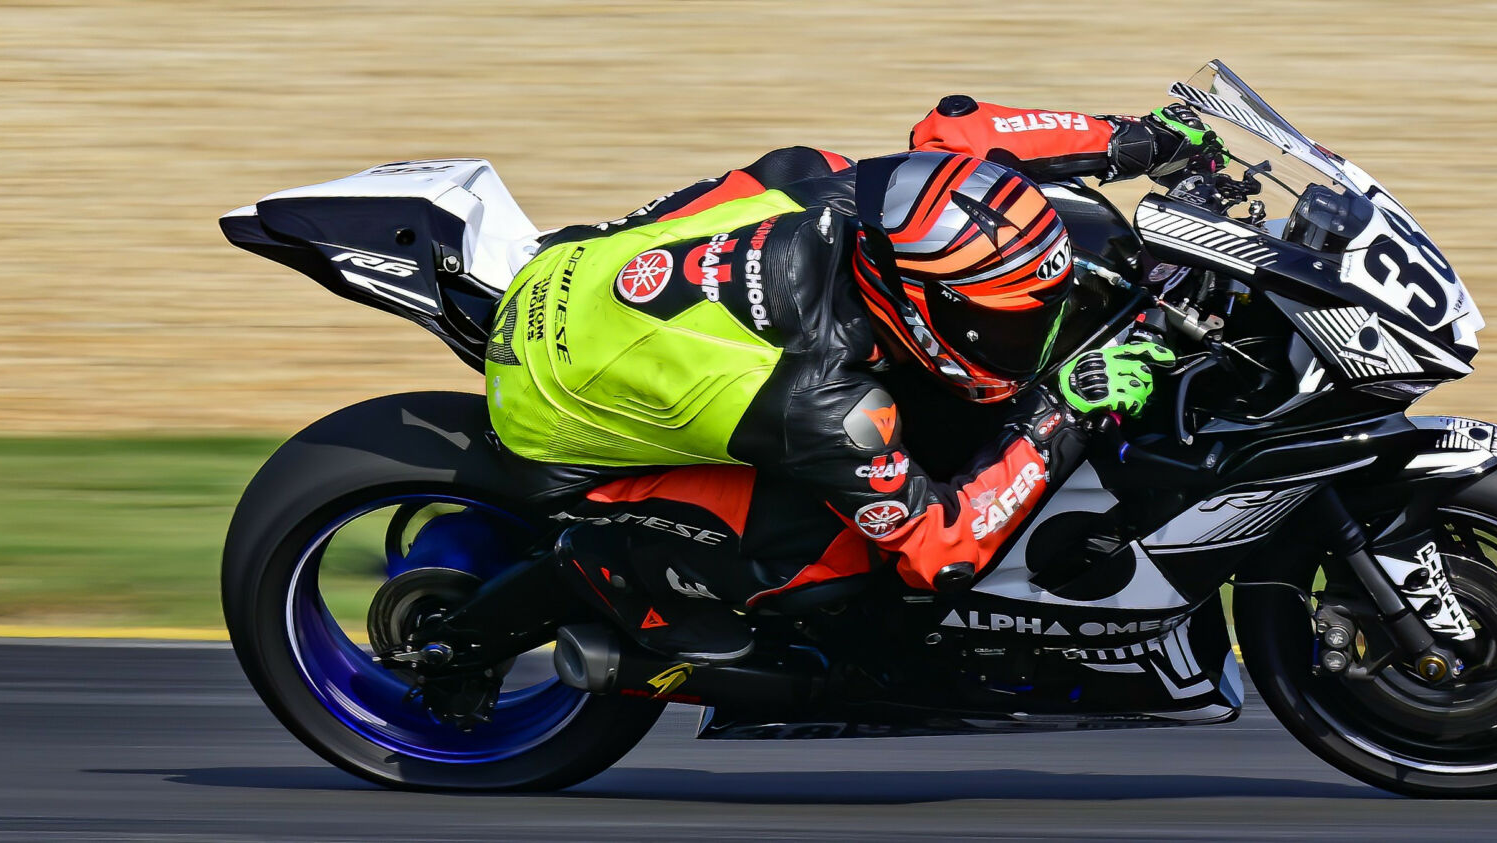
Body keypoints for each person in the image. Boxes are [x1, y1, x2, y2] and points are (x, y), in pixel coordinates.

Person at [483, 97, 1222, 662]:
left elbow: (958, 130)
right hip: (550, 407)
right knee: (840, 562)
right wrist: (1062, 409)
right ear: (918, 304)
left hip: (589, 274)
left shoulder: (875, 202)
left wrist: (1128, 138)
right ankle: (611, 569)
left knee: (807, 160)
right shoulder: (822, 401)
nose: (1032, 338)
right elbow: (943, 552)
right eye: (1004, 325)